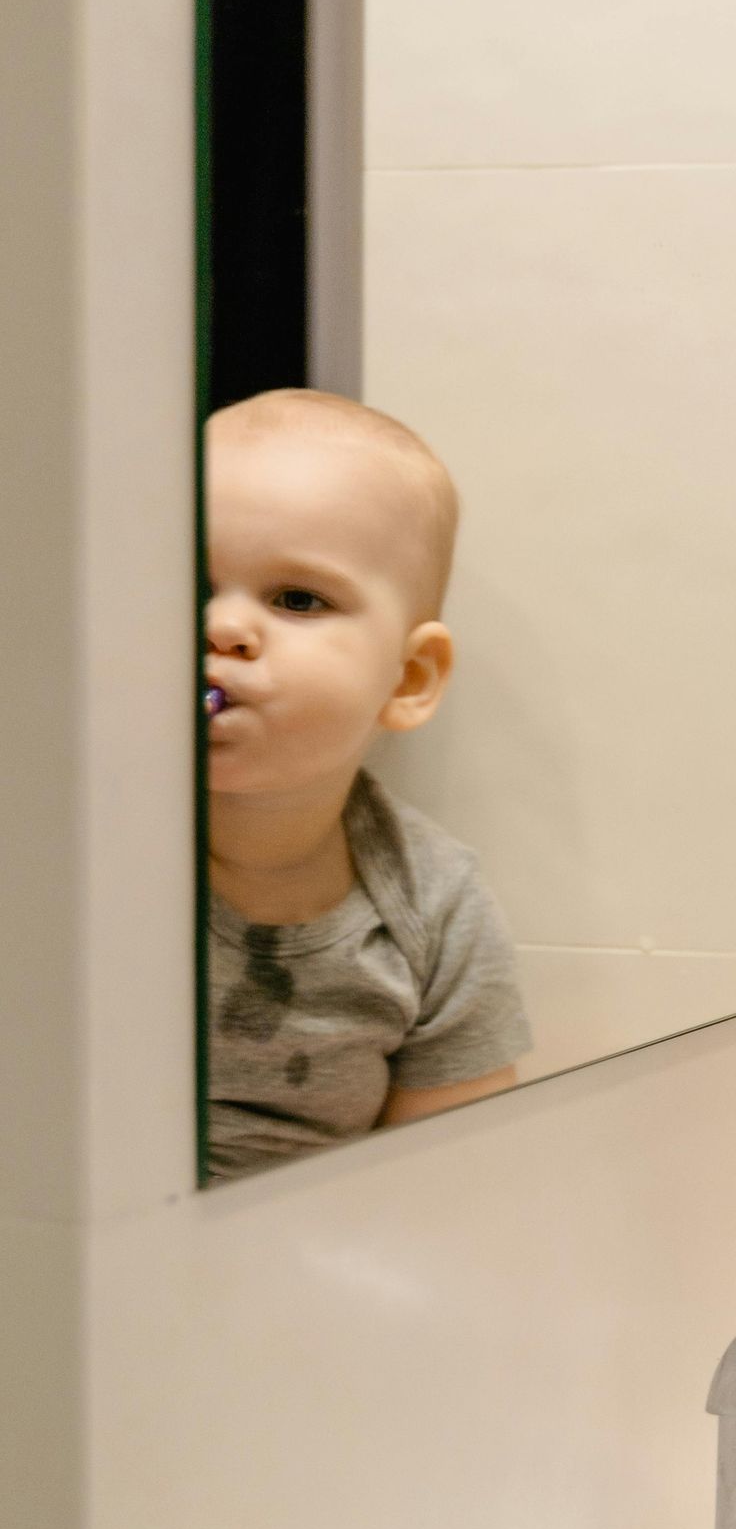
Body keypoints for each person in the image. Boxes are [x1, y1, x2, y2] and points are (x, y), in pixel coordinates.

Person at [203, 388, 531, 1181]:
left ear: (409, 678)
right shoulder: (58, 858)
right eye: (187, 584)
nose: (221, 627)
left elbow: (454, 1181)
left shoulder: (433, 906)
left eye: (296, 599)